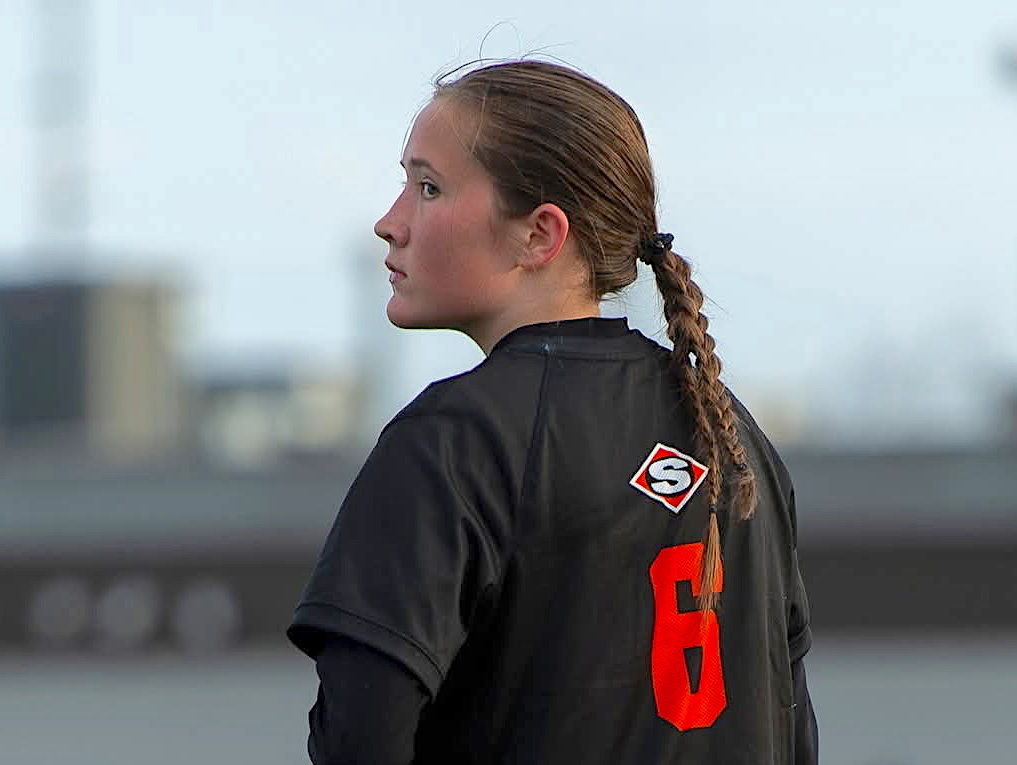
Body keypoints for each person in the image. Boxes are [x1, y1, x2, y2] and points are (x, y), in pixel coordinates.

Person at [287, 59, 816, 764]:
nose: (390, 222)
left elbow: (359, 741)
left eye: (428, 187)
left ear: (540, 234)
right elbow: (793, 731)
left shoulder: (454, 441)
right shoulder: (731, 434)